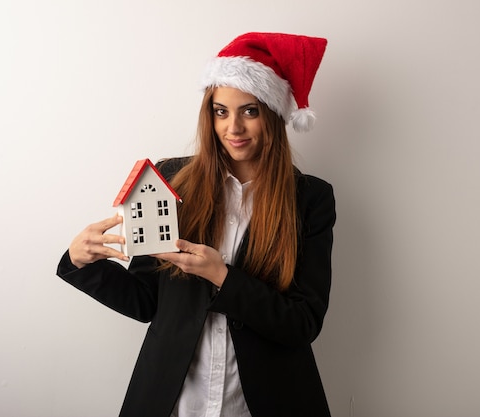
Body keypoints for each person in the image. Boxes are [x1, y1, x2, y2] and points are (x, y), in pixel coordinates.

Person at [56, 32, 335, 417]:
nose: (233, 127)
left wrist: (223, 276)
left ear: (273, 113)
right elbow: (146, 301)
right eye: (221, 111)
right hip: (175, 401)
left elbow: (303, 323)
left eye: (249, 111)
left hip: (260, 402)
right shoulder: (171, 179)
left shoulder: (310, 199)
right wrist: (81, 262)